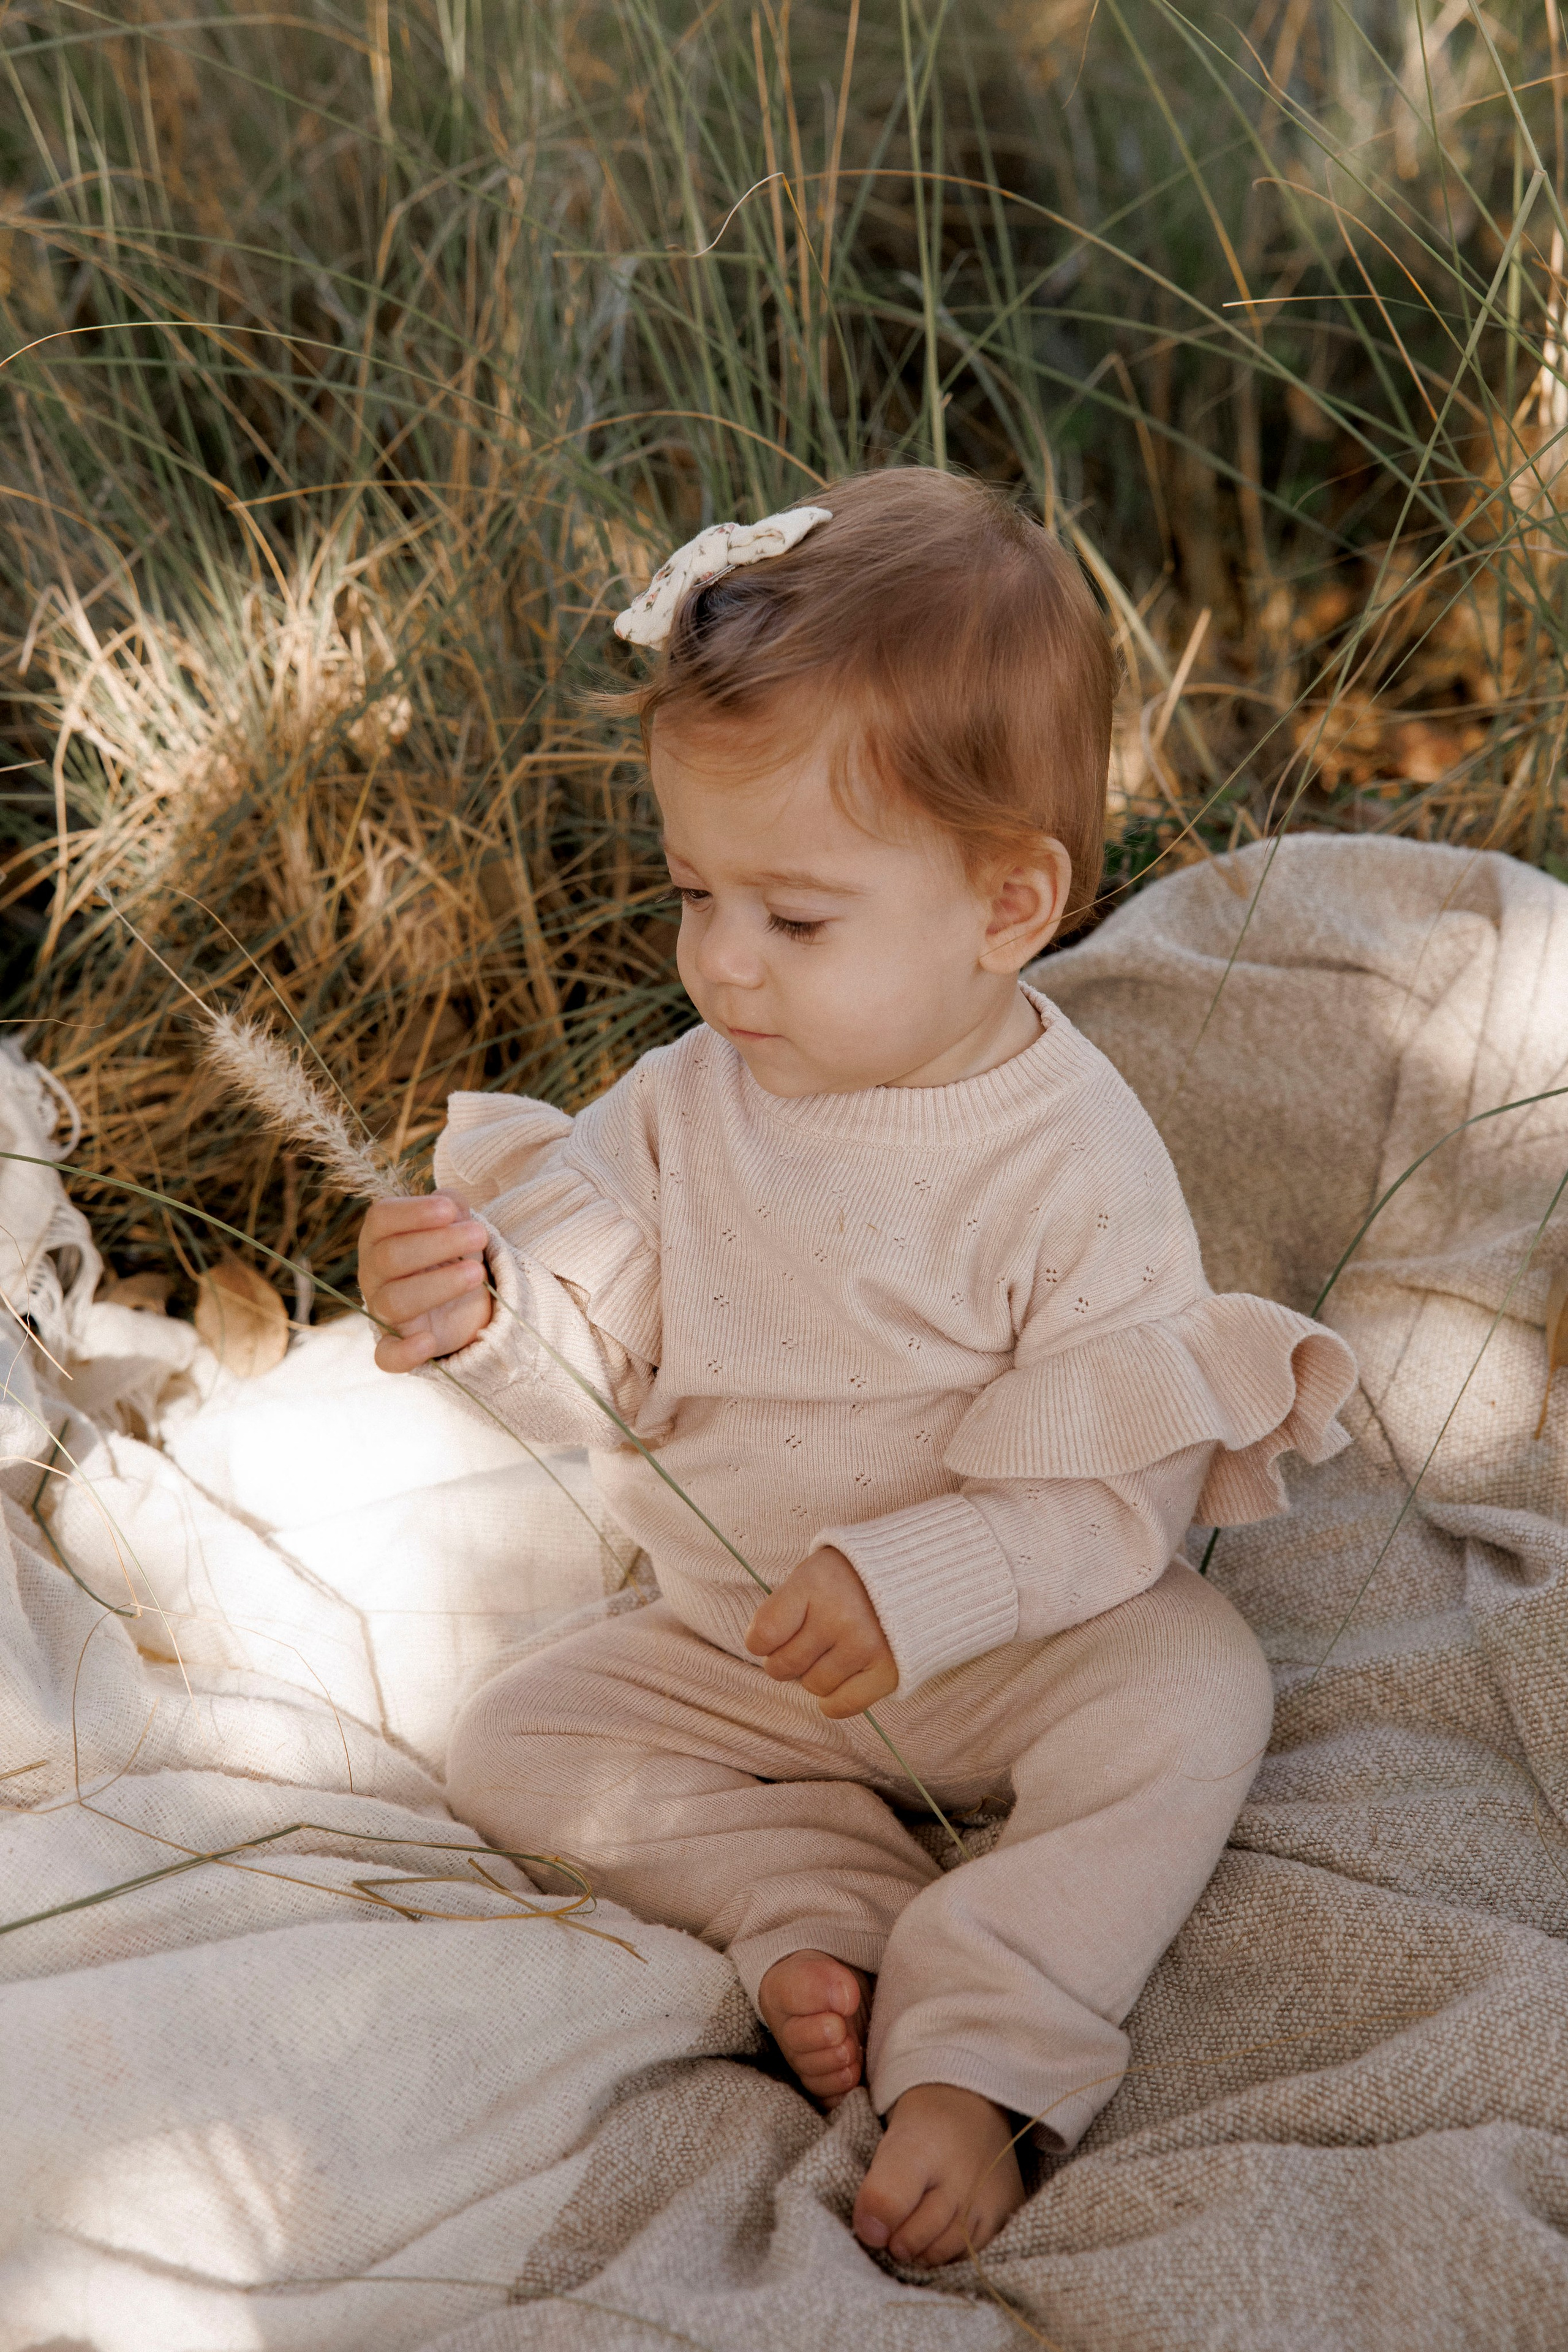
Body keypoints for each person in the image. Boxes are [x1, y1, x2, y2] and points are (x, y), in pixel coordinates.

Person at [358, 469, 1355, 2269]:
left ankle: (985, 2044)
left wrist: (924, 1579)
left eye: (795, 919)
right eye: (694, 895)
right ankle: (818, 1903)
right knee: (513, 1738)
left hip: (1013, 1649)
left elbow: (1116, 1486)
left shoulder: (1067, 1157)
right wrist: (487, 1319)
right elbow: (594, 1386)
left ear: (1004, 906)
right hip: (741, 1645)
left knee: (1195, 1697)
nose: (721, 964)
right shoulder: (678, 1110)